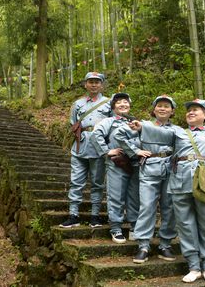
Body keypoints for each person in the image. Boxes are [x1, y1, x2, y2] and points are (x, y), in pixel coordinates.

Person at [129, 99, 205, 284]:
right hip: (180, 182)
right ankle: (193, 266)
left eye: (196, 110)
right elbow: (158, 133)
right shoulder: (177, 132)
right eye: (189, 110)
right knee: (185, 224)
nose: (191, 112)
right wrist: (142, 127)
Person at [116, 95, 178, 264]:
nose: (163, 108)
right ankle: (143, 245)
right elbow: (119, 134)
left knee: (169, 207)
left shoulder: (178, 130)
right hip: (150, 167)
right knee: (147, 206)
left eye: (167, 106)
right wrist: (134, 151)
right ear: (154, 109)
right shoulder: (144, 124)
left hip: (170, 169)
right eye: (159, 106)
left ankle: (165, 244)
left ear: (172, 111)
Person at [59, 72, 111, 229]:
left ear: (102, 85)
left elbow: (114, 124)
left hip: (99, 146)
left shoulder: (108, 103)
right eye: (91, 82)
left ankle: (95, 216)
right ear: (85, 84)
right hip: (80, 145)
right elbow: (73, 123)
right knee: (76, 181)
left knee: (97, 183)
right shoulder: (78, 104)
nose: (94, 84)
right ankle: (73, 215)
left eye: (97, 82)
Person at [90, 93, 140, 244]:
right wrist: (106, 151)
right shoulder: (108, 121)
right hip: (117, 163)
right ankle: (116, 228)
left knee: (135, 196)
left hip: (135, 163)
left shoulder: (136, 122)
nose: (123, 104)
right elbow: (95, 135)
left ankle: (134, 227)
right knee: (116, 195)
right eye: (119, 102)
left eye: (126, 102)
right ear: (113, 107)